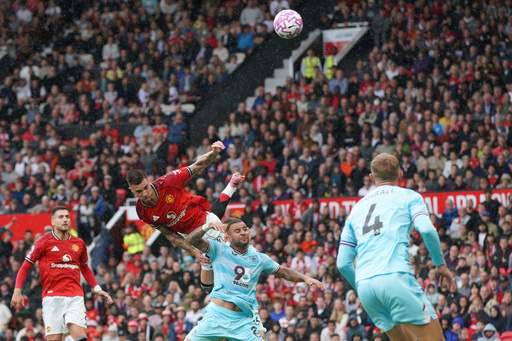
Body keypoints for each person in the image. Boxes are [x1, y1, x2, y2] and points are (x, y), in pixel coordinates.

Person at [337, 153, 454, 341]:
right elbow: (427, 229)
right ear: (400, 175)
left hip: (365, 287)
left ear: (373, 178)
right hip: (395, 278)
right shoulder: (409, 196)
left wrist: (360, 288)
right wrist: (441, 265)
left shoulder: (356, 209)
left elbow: (343, 263)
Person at [126, 141, 245, 292]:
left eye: (145, 188)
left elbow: (197, 166)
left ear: (149, 181)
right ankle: (232, 186)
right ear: (131, 190)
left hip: (205, 222)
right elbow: (170, 234)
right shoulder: (142, 211)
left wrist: (213, 152)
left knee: (224, 262)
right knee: (207, 285)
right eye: (138, 192)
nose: (144, 194)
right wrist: (194, 252)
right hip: (189, 236)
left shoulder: (168, 181)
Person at [183, 218, 324, 341]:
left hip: (242, 320)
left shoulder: (259, 258)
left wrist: (305, 277)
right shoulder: (218, 249)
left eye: (245, 229)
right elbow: (190, 240)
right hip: (216, 316)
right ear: (229, 237)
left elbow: (284, 272)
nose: (243, 232)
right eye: (237, 231)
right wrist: (207, 226)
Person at [10, 206, 113, 341]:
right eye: (60, 217)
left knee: (81, 337)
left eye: (66, 217)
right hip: (52, 298)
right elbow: (24, 267)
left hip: (74, 296)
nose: (65, 220)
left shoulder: (79, 243)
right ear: (53, 221)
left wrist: (97, 288)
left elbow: (85, 268)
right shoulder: (43, 242)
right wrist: (17, 291)